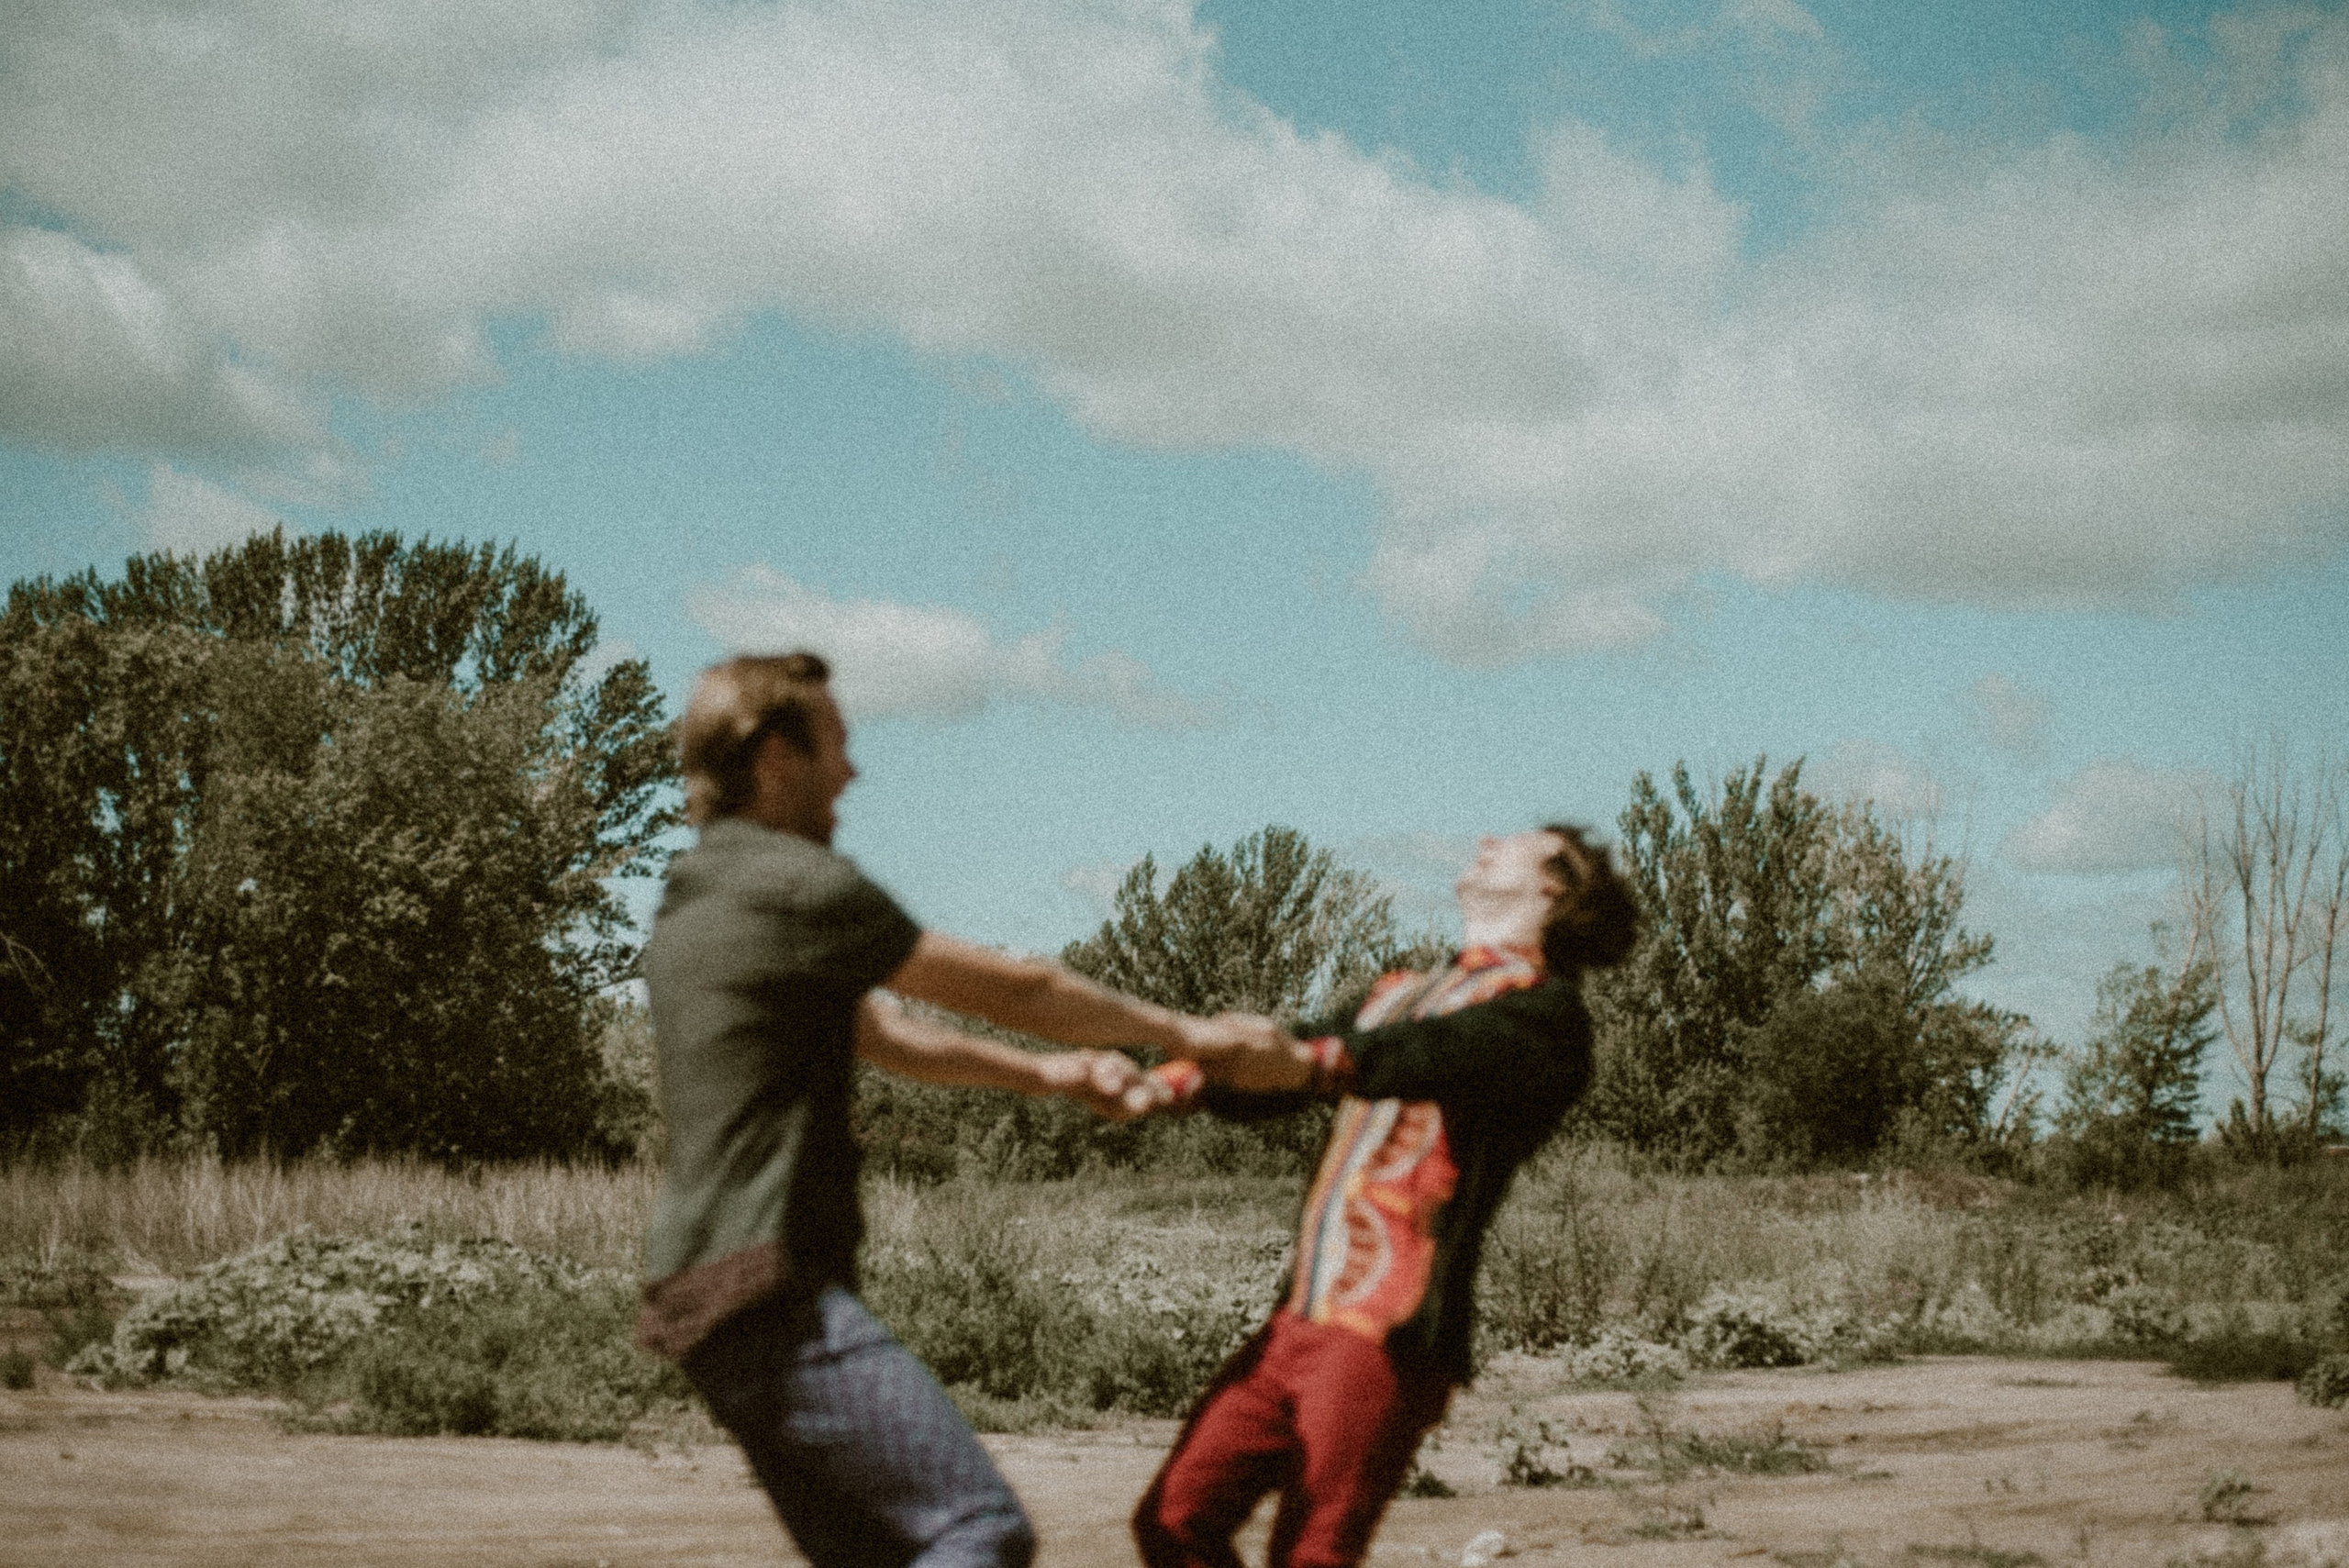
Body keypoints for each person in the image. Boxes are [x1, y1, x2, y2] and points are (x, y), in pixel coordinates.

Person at [635, 651, 1268, 1568]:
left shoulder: (700, 899)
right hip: (767, 1285)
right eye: (838, 744)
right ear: (776, 753)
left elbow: (890, 1038)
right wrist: (1185, 1033)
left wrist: (1053, 1078)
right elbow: (1016, 985)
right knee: (976, 1528)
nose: (852, 771)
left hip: (701, 1300)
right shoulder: (794, 884)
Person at [1129, 825, 1640, 1568]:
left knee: (1313, 1555)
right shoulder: (1399, 993)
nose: (1488, 840)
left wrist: (1315, 1057)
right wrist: (1170, 1083)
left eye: (1517, 843)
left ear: (1555, 885)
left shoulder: (1547, 1016)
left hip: (1389, 1334)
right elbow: (1288, 1071)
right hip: (1295, 1324)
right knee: (1175, 1519)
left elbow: (1429, 1054)